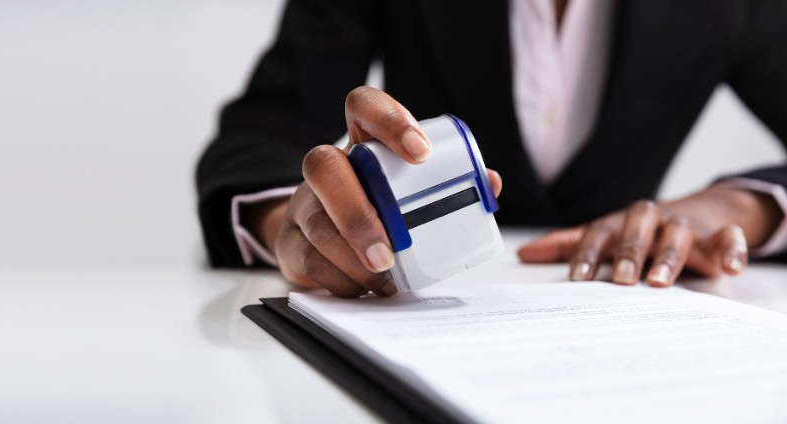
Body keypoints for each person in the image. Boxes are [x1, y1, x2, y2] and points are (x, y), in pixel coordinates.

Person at [195, 0, 787, 298]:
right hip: (426, 302)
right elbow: (260, 134)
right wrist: (301, 226)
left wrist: (740, 208)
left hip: (631, 312)